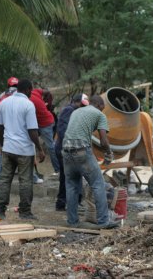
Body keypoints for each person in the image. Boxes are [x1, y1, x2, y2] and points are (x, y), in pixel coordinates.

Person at [62, 95, 117, 229]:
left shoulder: (76, 112)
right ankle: (104, 221)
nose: (102, 111)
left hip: (66, 151)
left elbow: (76, 132)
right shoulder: (99, 114)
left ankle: (72, 221)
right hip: (82, 152)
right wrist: (109, 153)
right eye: (102, 108)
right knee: (98, 184)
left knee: (72, 186)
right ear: (98, 105)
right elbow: (103, 141)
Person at [0, 79, 45, 220]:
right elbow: (32, 130)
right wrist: (40, 149)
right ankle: (25, 212)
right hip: (24, 150)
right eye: (31, 90)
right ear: (28, 89)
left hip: (8, 149)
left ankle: (0, 210)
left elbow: (0, 127)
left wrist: (3, 145)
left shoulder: (4, 103)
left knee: (4, 180)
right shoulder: (28, 105)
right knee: (25, 181)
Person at [55, 93, 89, 211]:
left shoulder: (76, 112)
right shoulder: (69, 110)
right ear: (76, 102)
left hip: (70, 148)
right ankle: (62, 202)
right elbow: (62, 130)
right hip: (65, 149)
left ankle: (72, 202)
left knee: (73, 175)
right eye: (82, 104)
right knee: (66, 177)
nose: (83, 107)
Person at [30, 88, 60, 175]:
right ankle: (33, 172)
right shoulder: (35, 91)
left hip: (45, 123)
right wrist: (47, 102)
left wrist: (47, 103)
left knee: (50, 147)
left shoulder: (28, 100)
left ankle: (58, 170)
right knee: (30, 144)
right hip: (39, 122)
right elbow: (47, 92)